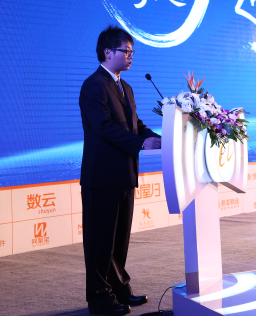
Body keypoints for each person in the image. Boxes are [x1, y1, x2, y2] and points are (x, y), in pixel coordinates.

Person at [79, 25, 161, 316]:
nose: (130, 56)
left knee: (119, 241)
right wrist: (140, 143)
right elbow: (104, 128)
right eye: (126, 51)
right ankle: (100, 300)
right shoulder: (94, 85)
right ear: (107, 52)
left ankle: (120, 290)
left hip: (125, 175)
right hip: (101, 177)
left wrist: (159, 138)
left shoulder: (125, 87)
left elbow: (135, 125)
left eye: (132, 52)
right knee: (100, 241)